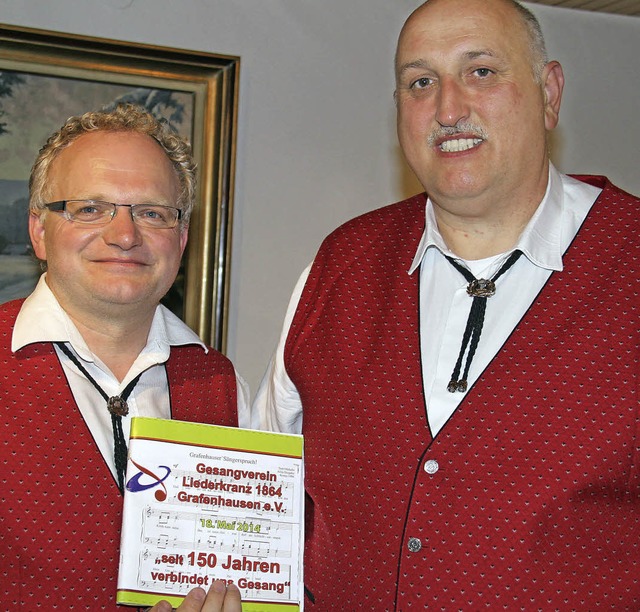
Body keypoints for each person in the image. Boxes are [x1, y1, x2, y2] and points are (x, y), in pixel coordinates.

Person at [251, 0, 639, 608]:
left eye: (481, 71)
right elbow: (265, 490)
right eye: (420, 82)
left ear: (549, 92)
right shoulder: (338, 269)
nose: (448, 110)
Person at [0, 104, 248, 610]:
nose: (125, 235)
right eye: (90, 208)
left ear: (180, 240)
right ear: (39, 230)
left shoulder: (224, 388)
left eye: (152, 213)